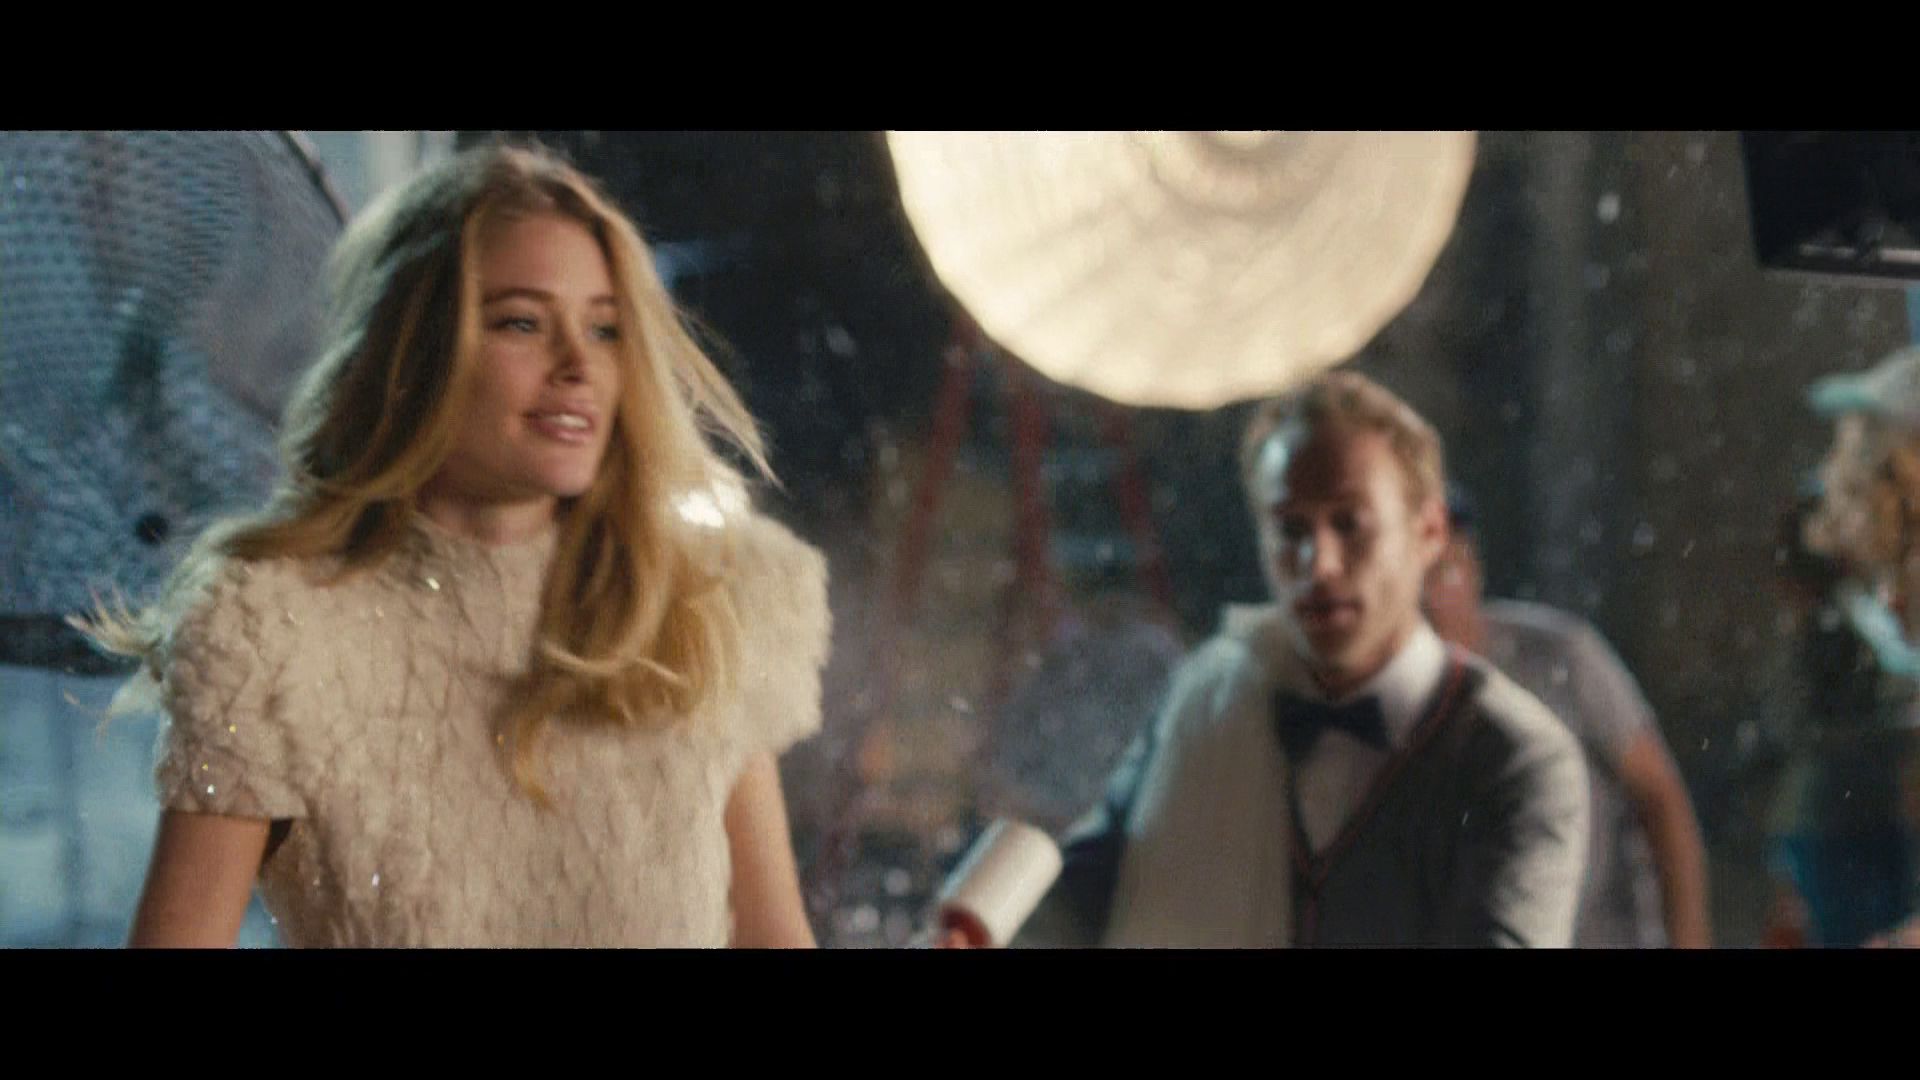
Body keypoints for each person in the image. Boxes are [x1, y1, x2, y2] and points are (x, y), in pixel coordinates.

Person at [74, 142, 831, 948]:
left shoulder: (705, 596)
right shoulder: (273, 632)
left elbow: (774, 937)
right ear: (416, 352)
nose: (579, 365)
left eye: (606, 328)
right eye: (522, 322)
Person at [968, 370, 1589, 948]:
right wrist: (976, 927)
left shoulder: (1517, 760)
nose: (1319, 564)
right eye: (1291, 529)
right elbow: (1095, 884)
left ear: (1428, 532)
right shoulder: (1208, 703)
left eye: (1350, 523)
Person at [1422, 488, 1711, 947]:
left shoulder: (1561, 656)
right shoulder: (1392, 703)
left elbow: (1660, 797)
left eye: (1444, 572)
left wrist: (1689, 938)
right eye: (1412, 579)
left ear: (1474, 569)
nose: (1430, 599)